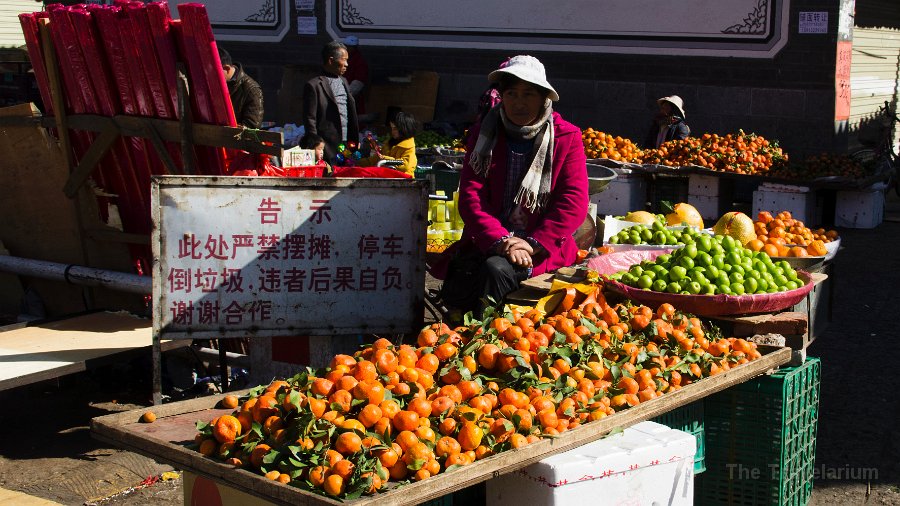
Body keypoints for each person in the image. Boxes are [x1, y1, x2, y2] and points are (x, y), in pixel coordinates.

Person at [436, 55, 589, 315]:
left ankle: (493, 341)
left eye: (528, 94)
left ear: (544, 98)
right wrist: (501, 240)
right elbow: (472, 197)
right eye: (512, 94)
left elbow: (573, 201)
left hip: (543, 249)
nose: (519, 103)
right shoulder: (483, 134)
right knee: (488, 269)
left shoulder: (566, 136)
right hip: (491, 240)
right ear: (502, 97)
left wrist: (532, 243)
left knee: (497, 270)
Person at [302, 40, 359, 163]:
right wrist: (316, 145)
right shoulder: (314, 85)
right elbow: (310, 119)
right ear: (330, 60)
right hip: (327, 147)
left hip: (345, 145)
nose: (347, 64)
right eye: (344, 60)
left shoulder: (344, 81)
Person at [219, 48, 264, 129]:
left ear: (227, 69)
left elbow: (252, 125)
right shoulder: (214, 83)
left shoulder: (252, 89)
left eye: (214, 73)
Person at [342, 36, 369, 115]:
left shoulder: (360, 61)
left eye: (347, 47)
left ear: (353, 48)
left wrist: (347, 95)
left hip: (353, 97)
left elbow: (358, 82)